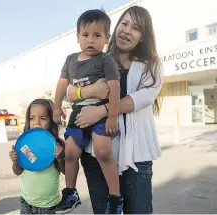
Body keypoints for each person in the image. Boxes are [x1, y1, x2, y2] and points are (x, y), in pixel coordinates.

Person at [65, 5, 163, 214]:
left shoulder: (150, 64)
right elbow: (68, 92)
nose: (127, 30)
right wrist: (90, 90)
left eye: (135, 28)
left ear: (143, 37)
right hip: (96, 152)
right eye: (124, 23)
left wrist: (102, 111)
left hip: (136, 154)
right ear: (115, 28)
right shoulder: (96, 58)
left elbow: (143, 98)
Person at [53, 9, 123, 214]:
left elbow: (115, 87)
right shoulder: (70, 60)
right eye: (85, 35)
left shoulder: (105, 60)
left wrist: (112, 116)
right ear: (77, 37)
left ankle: (115, 197)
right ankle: (70, 193)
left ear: (106, 38)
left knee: (103, 152)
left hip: (101, 113)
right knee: (71, 152)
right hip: (78, 113)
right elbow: (61, 85)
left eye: (97, 35)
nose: (90, 40)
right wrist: (57, 106)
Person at [9, 99, 65, 214]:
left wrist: (59, 158)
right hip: (26, 203)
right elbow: (18, 171)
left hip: (49, 206)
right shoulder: (25, 145)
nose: (37, 122)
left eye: (43, 118)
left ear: (52, 121)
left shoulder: (57, 145)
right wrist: (15, 161)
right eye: (32, 118)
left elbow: (66, 172)